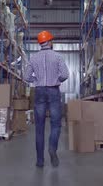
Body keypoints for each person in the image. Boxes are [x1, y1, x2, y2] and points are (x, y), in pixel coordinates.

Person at [23, 30, 69, 168]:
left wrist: (36, 79)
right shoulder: (58, 57)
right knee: (56, 124)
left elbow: (26, 77)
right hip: (54, 91)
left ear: (40, 43)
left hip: (39, 91)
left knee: (39, 128)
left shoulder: (33, 58)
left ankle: (40, 161)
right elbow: (65, 74)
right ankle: (52, 148)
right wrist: (57, 79)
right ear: (50, 42)